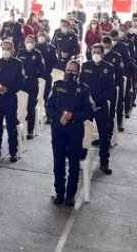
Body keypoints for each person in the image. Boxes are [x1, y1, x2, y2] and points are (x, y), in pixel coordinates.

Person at [46, 60, 92, 206]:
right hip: (59, 128)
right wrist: (59, 118)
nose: (71, 73)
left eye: (73, 71)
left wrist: (73, 116)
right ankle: (59, 192)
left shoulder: (84, 89)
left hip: (75, 129)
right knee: (58, 161)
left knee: (73, 162)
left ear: (78, 72)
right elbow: (49, 106)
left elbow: (88, 112)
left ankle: (70, 194)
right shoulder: (58, 85)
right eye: (69, 70)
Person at [80, 44, 116, 174]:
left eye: (98, 52)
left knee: (104, 135)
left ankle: (104, 162)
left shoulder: (109, 68)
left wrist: (97, 102)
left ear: (103, 54)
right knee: (83, 132)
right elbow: (81, 85)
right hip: (87, 105)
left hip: (101, 106)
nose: (95, 54)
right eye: (93, 51)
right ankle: (81, 157)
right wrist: (89, 102)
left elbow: (110, 89)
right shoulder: (85, 66)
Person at [0, 40, 24, 163]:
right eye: (4, 48)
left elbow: (20, 83)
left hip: (10, 99)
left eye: (8, 48)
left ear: (13, 50)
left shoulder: (18, 64)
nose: (6, 51)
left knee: (11, 126)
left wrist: (7, 89)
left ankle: (13, 152)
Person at [16, 35, 44, 139]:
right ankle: (19, 129)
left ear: (34, 43)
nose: (29, 43)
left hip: (32, 82)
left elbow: (42, 69)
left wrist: (35, 75)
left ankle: (30, 131)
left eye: (31, 42)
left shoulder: (37, 54)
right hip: (21, 83)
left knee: (31, 107)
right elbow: (16, 67)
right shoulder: (21, 52)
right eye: (27, 41)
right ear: (24, 42)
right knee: (19, 107)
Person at [101, 36, 125, 142]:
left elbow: (119, 76)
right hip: (99, 89)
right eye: (104, 46)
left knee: (110, 112)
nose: (105, 48)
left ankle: (107, 135)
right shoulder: (98, 56)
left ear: (111, 45)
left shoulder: (116, 57)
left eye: (107, 46)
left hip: (111, 89)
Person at [108, 30, 133, 131]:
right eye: (111, 39)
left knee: (118, 102)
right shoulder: (103, 51)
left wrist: (122, 73)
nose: (113, 41)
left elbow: (127, 61)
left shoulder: (123, 47)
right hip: (107, 81)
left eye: (114, 38)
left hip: (119, 78)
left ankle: (119, 122)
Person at [36, 31, 57, 113]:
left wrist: (46, 67)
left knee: (47, 95)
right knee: (35, 95)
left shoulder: (51, 48)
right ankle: (33, 113)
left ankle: (48, 114)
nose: (41, 37)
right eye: (39, 35)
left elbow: (55, 60)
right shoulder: (35, 46)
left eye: (43, 35)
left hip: (47, 74)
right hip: (36, 76)